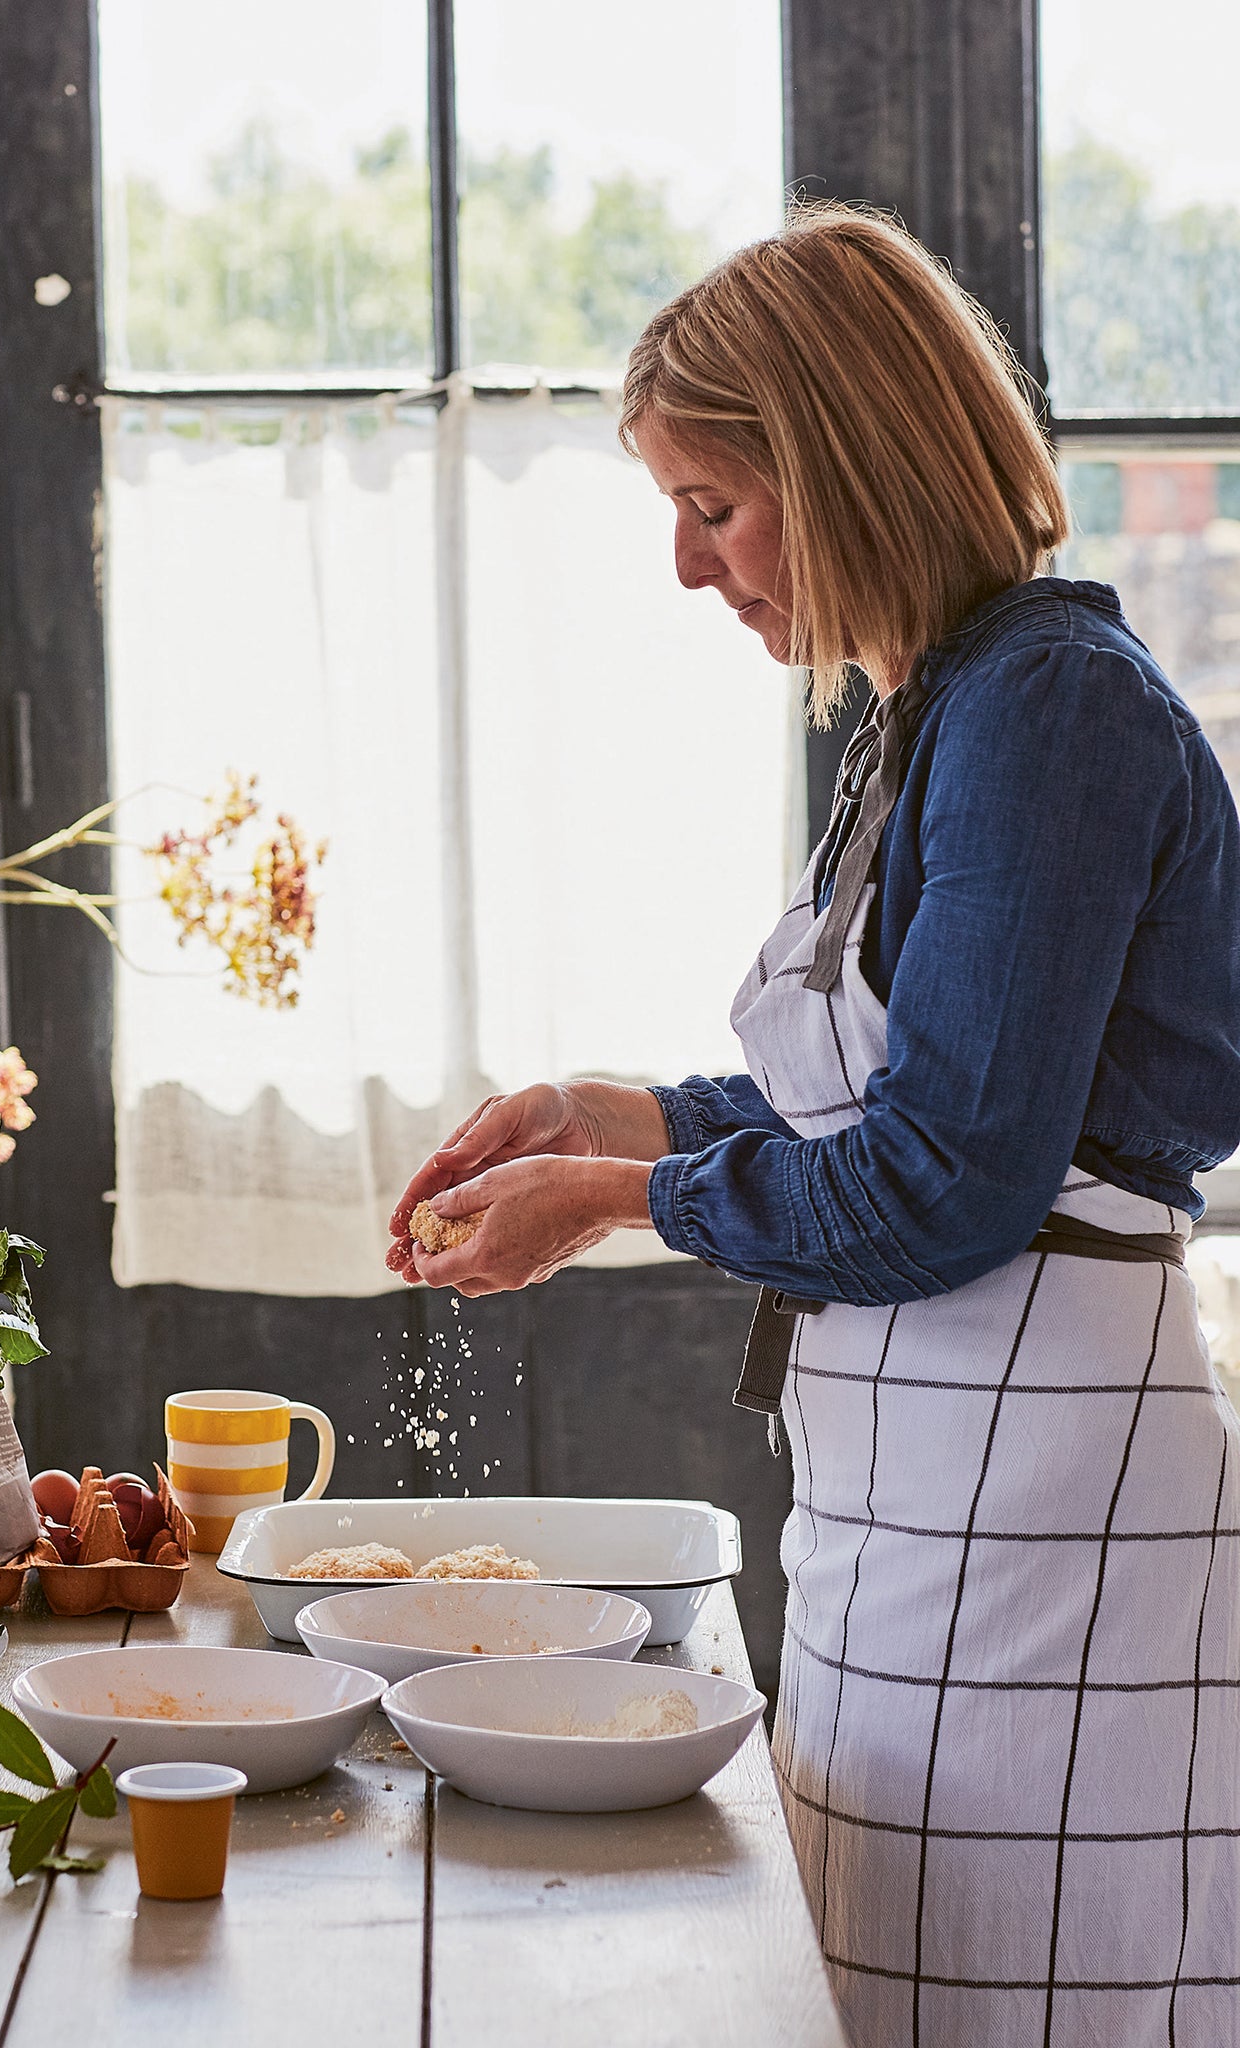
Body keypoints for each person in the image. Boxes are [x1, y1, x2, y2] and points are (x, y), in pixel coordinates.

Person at [385, 204, 1240, 2048]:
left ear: (846, 461)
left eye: (714, 506)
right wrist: (605, 1113)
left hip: (1042, 1531)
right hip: (929, 1504)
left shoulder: (1050, 713)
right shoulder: (940, 710)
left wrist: (621, 1192)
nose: (693, 572)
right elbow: (890, 1098)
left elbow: (941, 1184)